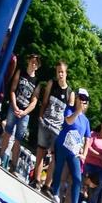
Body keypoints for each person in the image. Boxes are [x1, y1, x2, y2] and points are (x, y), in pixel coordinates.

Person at [30, 62, 75, 194]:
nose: (60, 74)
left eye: (62, 72)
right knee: (40, 152)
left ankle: (47, 185)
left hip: (58, 128)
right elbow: (44, 101)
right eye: (58, 72)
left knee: (54, 158)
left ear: (66, 73)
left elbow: (69, 114)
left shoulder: (70, 93)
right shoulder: (52, 84)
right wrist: (40, 116)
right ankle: (36, 180)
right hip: (46, 122)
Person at [0, 53, 41, 172]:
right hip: (14, 106)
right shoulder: (20, 72)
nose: (33, 64)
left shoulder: (37, 82)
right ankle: (0, 157)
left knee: (18, 139)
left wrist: (24, 112)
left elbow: (34, 101)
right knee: (8, 132)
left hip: (25, 113)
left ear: (38, 66)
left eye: (36, 63)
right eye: (32, 62)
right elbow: (13, 89)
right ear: (29, 61)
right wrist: (15, 105)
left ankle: (13, 166)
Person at [50, 89, 92, 203]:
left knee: (77, 177)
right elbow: (68, 121)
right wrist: (77, 111)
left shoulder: (86, 121)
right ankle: (55, 193)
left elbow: (87, 139)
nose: (83, 101)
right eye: (81, 98)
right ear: (77, 98)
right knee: (58, 169)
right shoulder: (69, 109)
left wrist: (84, 154)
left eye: (85, 100)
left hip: (74, 151)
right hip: (63, 145)